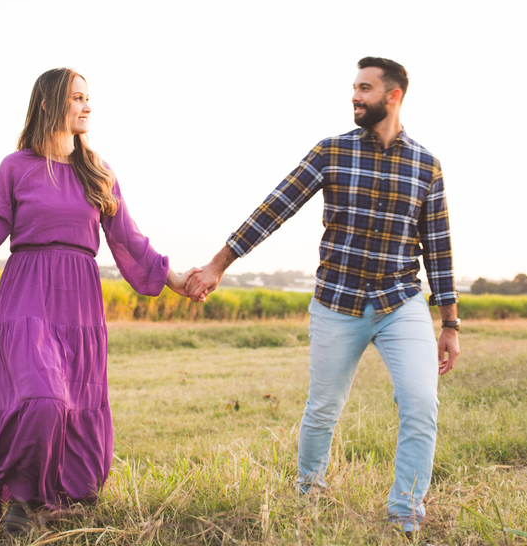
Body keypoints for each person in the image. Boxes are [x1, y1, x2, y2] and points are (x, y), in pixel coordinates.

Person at [0, 68, 195, 533]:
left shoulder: (99, 174)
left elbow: (129, 242)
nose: (86, 106)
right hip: (26, 296)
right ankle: (20, 499)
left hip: (79, 304)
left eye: (88, 98)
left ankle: (50, 502)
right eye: (77, 97)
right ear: (47, 104)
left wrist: (176, 279)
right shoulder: (15, 167)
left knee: (74, 402)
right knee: (42, 398)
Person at [185, 56, 460, 534]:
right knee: (323, 409)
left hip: (401, 302)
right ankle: (307, 495)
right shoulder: (331, 151)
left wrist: (451, 323)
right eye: (354, 87)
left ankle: (405, 514)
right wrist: (217, 264)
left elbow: (438, 247)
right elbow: (275, 208)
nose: (355, 95)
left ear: (392, 96)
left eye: (365, 88)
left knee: (421, 403)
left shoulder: (426, 165)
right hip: (338, 301)